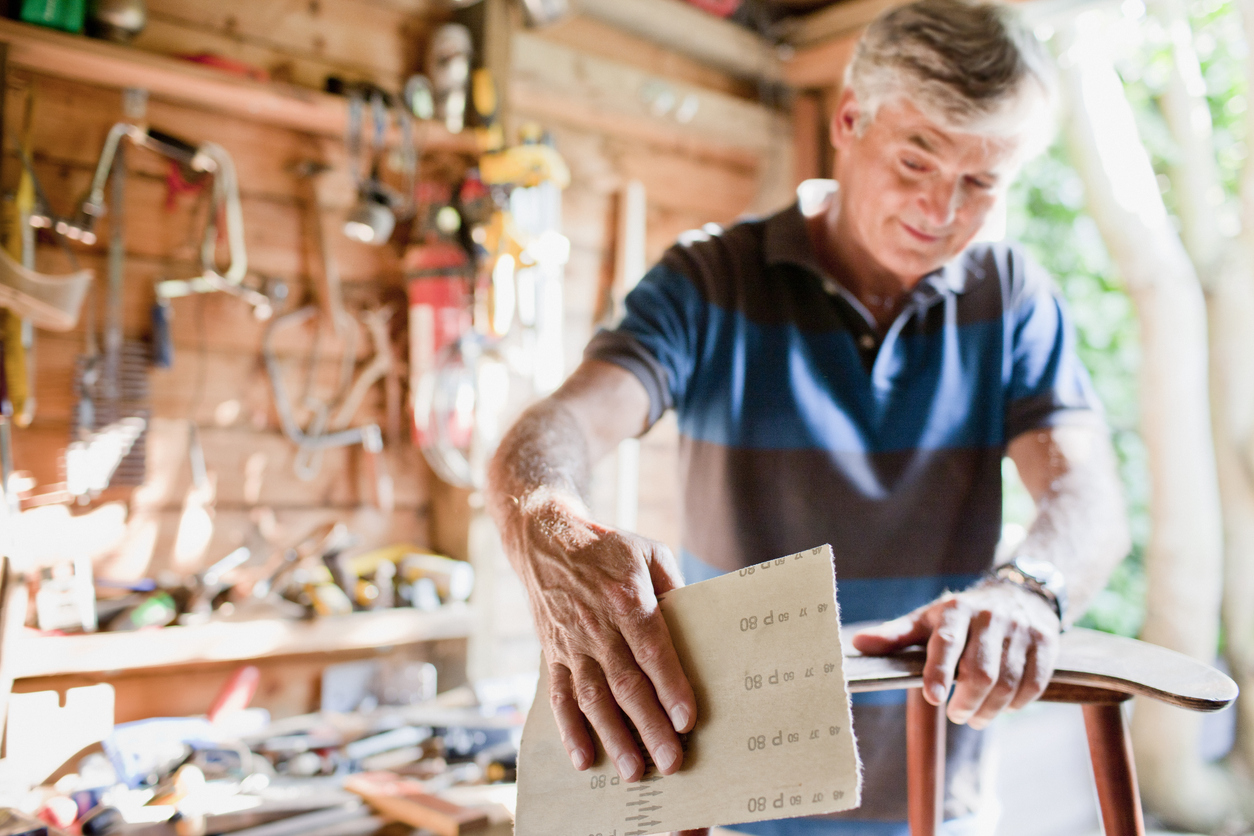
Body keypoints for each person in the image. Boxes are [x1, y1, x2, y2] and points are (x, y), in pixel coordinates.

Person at [486, 1, 1131, 833]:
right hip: (737, 793)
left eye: (980, 183)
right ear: (850, 120)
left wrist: (1029, 590)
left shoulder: (1010, 298)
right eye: (915, 160)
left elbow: (1090, 496)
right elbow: (559, 429)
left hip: (941, 793)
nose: (941, 210)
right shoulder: (712, 280)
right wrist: (548, 525)